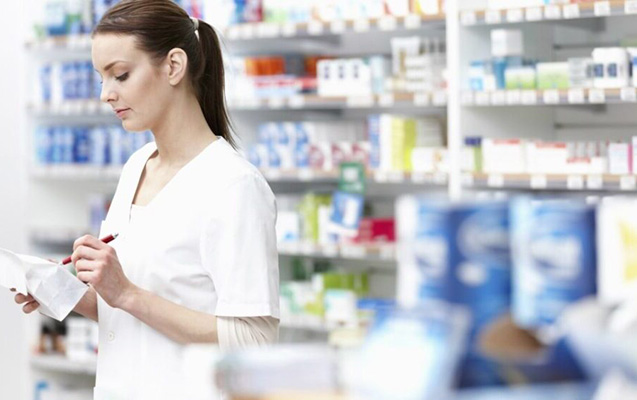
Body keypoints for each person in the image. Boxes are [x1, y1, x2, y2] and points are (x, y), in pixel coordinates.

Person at [14, 0, 280, 398]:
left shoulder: (233, 185)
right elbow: (130, 312)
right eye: (101, 79)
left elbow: (254, 340)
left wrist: (127, 293)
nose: (106, 94)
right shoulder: (137, 166)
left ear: (173, 66)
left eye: (120, 75)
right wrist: (62, 291)